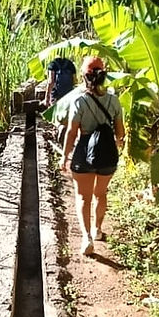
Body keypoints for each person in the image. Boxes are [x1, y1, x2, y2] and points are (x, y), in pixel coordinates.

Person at [61, 56, 125, 257]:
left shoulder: (79, 100)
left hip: (83, 155)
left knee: (83, 197)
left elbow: (72, 132)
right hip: (107, 155)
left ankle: (86, 237)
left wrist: (64, 157)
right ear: (103, 75)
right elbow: (120, 132)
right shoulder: (114, 100)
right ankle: (97, 230)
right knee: (101, 193)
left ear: (84, 76)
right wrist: (117, 143)